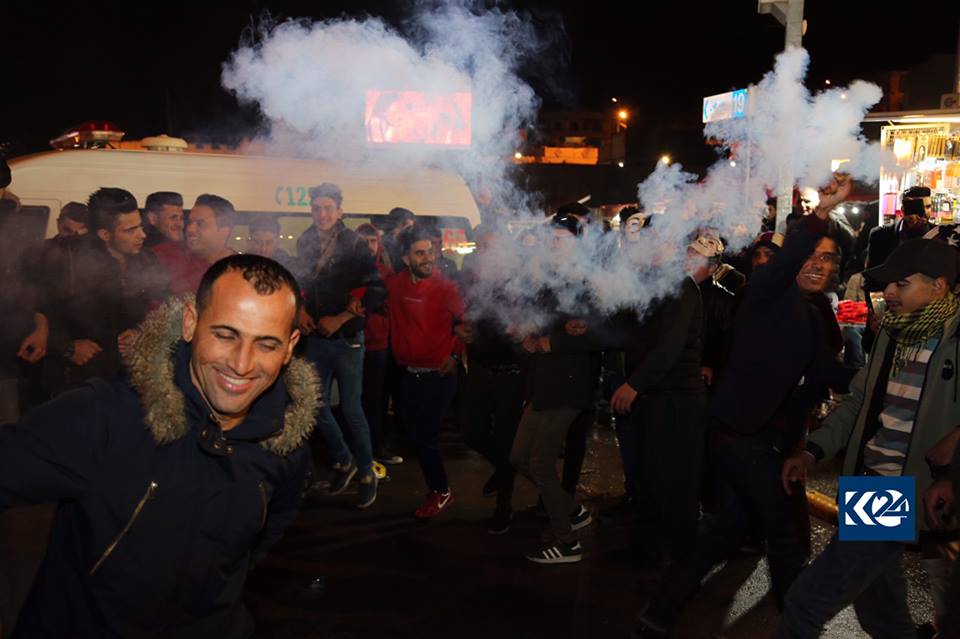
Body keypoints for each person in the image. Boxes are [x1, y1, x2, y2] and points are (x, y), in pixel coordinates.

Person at [0, 254, 318, 638]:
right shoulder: (105, 416)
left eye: (266, 344)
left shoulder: (286, 443)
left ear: (289, 347)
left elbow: (258, 544)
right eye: (225, 335)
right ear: (190, 323)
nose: (242, 364)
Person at [636, 174, 852, 635]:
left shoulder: (824, 316)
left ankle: (661, 610)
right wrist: (817, 218)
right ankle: (798, 626)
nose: (819, 265)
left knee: (727, 532)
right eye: (812, 256)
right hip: (748, 437)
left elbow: (830, 378)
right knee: (789, 536)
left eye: (829, 259)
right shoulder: (770, 294)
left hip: (791, 446)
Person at [778, 238, 960, 638]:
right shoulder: (894, 335)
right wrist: (813, 450)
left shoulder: (954, 342)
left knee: (805, 602)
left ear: (939, 287)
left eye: (901, 283)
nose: (889, 293)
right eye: (887, 284)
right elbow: (858, 403)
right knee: (882, 611)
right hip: (872, 481)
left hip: (900, 490)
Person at [510, 213, 596, 564]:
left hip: (570, 385)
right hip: (542, 384)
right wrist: (527, 335)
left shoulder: (591, 280)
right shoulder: (546, 276)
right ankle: (571, 509)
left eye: (560, 238)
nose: (553, 244)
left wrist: (553, 342)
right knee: (518, 458)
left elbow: (598, 333)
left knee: (542, 465)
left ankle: (567, 543)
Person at [296, 183, 384, 508]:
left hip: (348, 339)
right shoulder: (305, 240)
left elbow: (377, 289)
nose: (322, 214)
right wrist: (301, 311)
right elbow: (301, 282)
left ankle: (365, 472)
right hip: (317, 337)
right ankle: (344, 460)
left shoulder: (354, 244)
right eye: (317, 208)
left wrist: (343, 317)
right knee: (314, 405)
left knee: (351, 409)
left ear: (340, 211)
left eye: (328, 208)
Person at [42, 188, 167, 391]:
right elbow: (33, 311)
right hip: (75, 380)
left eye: (140, 226)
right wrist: (67, 347)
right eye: (130, 230)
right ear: (104, 234)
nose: (142, 235)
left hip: (127, 379)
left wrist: (141, 333)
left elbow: (163, 304)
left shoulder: (147, 260)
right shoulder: (66, 259)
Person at [387, 224, 465, 519]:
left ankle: (442, 491)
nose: (427, 258)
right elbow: (368, 284)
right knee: (413, 433)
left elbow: (466, 323)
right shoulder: (395, 284)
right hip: (409, 374)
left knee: (426, 437)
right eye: (419, 253)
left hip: (439, 375)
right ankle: (437, 488)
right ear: (406, 258)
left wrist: (456, 354)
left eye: (429, 252)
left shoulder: (446, 287)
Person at [457, 224, 525, 534]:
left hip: (511, 373)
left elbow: (532, 328)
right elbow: (460, 317)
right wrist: (460, 330)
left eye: (493, 247)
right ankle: (503, 466)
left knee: (506, 439)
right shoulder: (470, 279)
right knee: (471, 432)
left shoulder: (519, 283)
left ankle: (505, 507)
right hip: (480, 369)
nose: (487, 253)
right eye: (482, 247)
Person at [354, 223, 402, 465]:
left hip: (378, 344)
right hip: (352, 343)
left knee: (376, 398)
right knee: (354, 399)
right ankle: (359, 449)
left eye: (372, 241)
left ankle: (375, 445)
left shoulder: (387, 273)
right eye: (363, 240)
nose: (368, 246)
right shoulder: (348, 271)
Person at [154, 194, 236, 296]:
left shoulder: (239, 271)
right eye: (190, 222)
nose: (190, 229)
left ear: (224, 231)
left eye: (200, 224)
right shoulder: (168, 254)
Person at [380, 207, 416, 272]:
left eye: (411, 228)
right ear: (394, 226)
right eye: (407, 227)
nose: (409, 232)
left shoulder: (410, 246)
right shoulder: (380, 247)